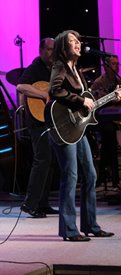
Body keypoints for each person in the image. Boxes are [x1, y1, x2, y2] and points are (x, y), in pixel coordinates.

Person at [47, 30, 121, 241]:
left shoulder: (78, 72)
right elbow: (55, 91)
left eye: (78, 41)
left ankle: (91, 225)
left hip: (78, 128)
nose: (78, 44)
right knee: (70, 175)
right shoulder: (60, 66)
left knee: (90, 174)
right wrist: (81, 101)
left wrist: (113, 97)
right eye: (73, 41)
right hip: (63, 127)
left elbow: (90, 102)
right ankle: (69, 230)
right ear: (63, 47)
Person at [16, 37, 59, 218]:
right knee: (42, 160)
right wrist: (43, 94)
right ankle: (30, 204)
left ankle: (43, 203)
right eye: (49, 49)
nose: (52, 53)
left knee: (50, 161)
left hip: (50, 120)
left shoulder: (55, 69)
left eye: (54, 50)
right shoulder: (35, 68)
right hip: (37, 121)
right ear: (41, 50)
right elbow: (20, 86)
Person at [90, 55, 121, 188]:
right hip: (103, 116)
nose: (116, 67)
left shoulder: (120, 81)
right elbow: (95, 103)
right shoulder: (99, 82)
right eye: (113, 64)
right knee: (109, 134)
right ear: (105, 67)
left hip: (119, 115)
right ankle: (111, 175)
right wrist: (111, 98)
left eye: (117, 64)